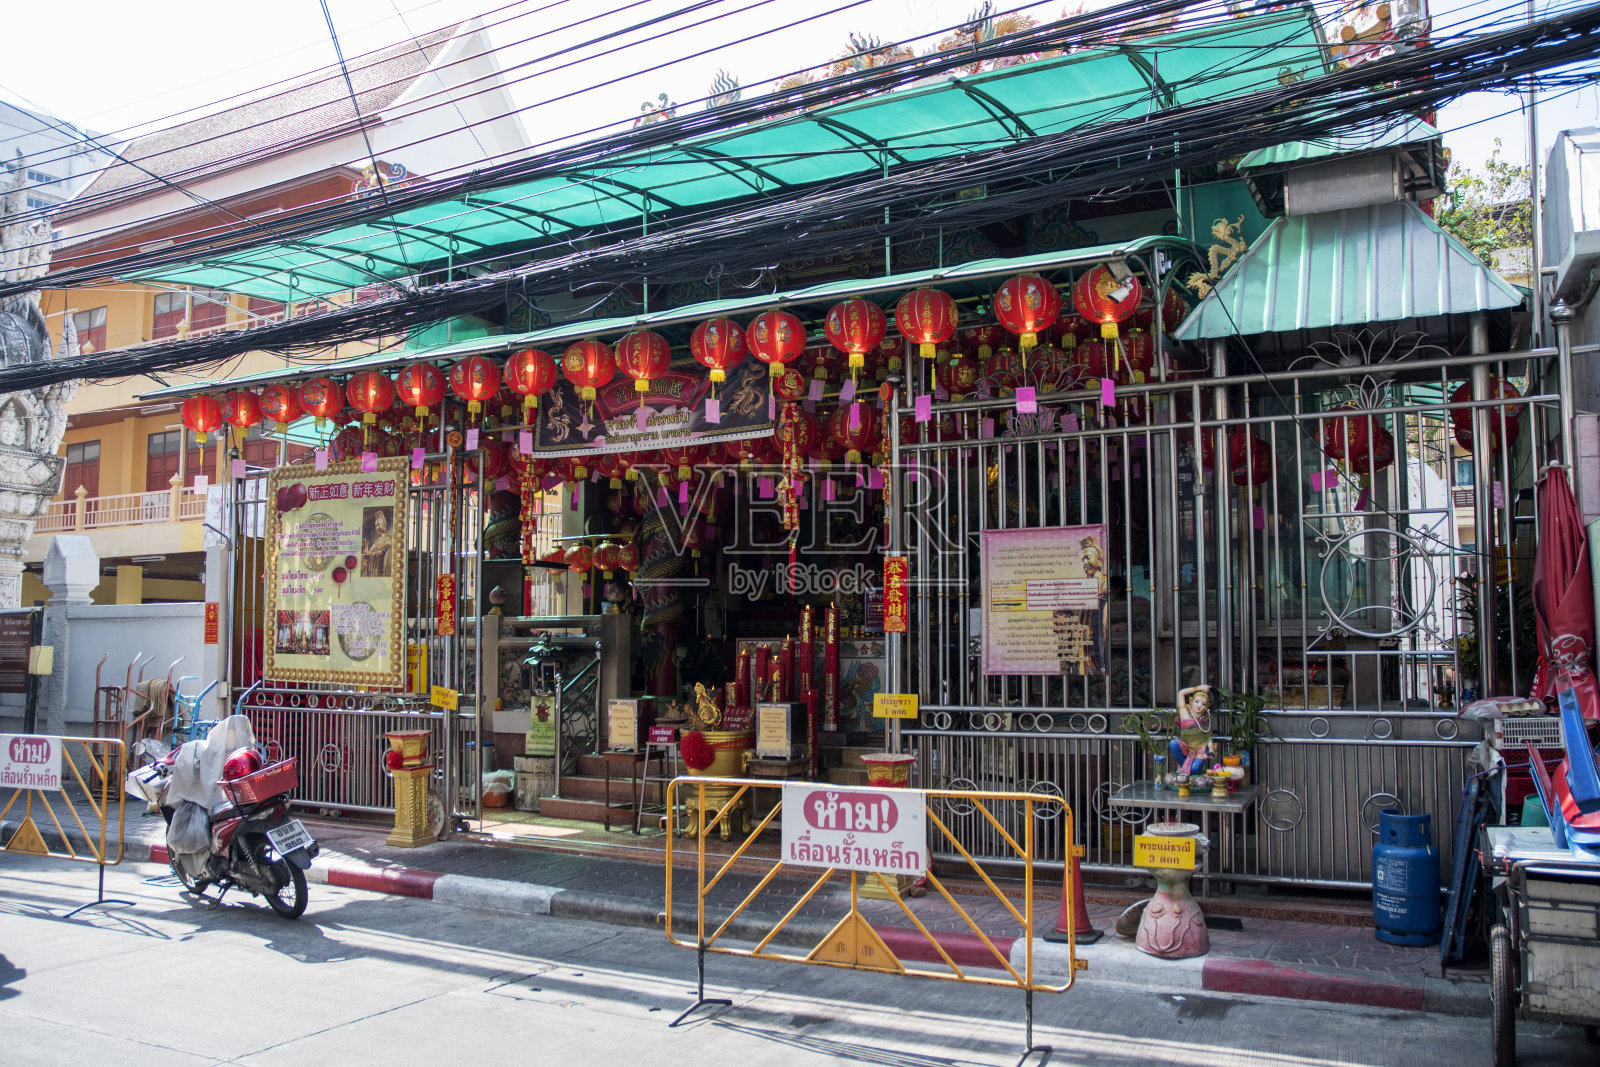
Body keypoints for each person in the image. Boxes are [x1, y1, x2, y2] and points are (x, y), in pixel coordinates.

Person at [362, 507, 394, 577]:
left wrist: (372, 555)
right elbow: (370, 554)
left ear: (383, 524)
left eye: (378, 524)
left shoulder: (387, 538)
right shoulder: (376, 542)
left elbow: (387, 552)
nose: (377, 527)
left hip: (380, 570)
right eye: (376, 525)